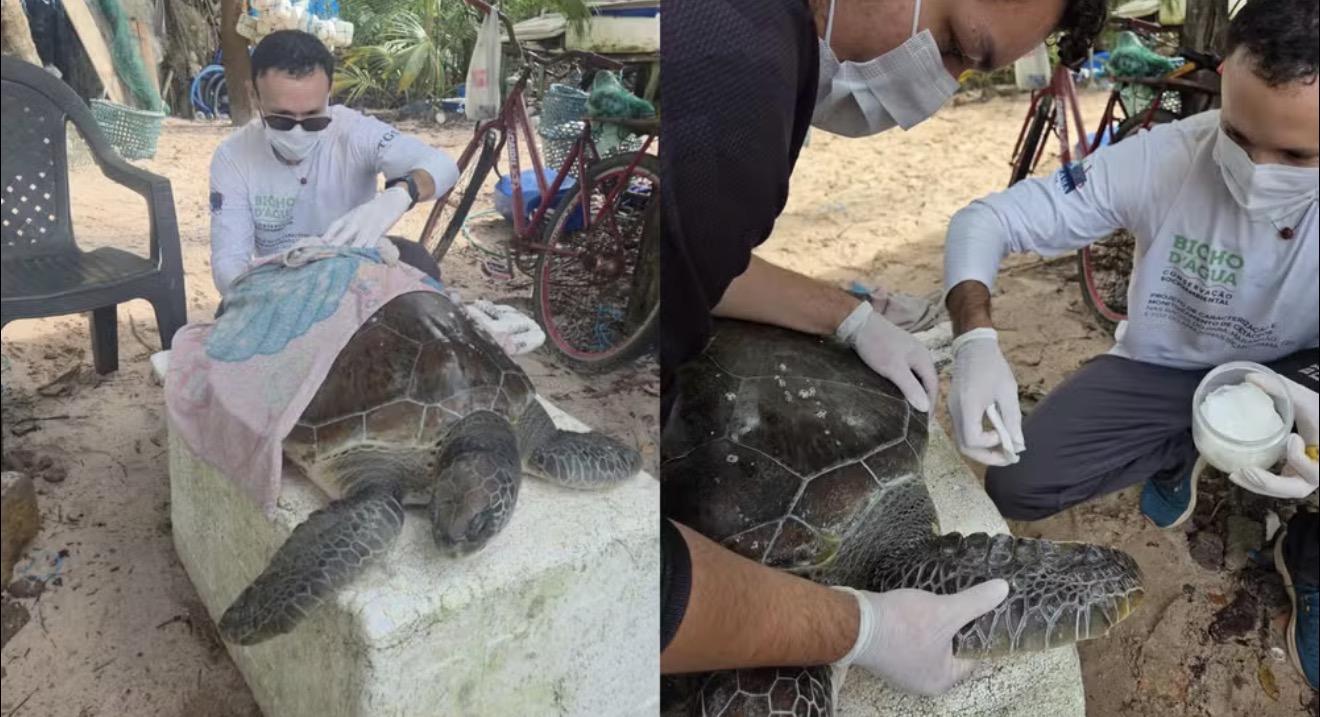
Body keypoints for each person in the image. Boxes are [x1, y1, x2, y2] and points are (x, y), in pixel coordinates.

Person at [660, 0, 1106, 697]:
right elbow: (646, 586)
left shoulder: (761, 47)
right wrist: (860, 626)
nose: (943, 84)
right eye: (957, 44)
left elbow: (693, 261)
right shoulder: (736, 78)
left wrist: (852, 319)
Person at [942, 0, 1317, 690]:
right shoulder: (1166, 157)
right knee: (1020, 481)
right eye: (1237, 134)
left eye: (1295, 154)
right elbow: (986, 220)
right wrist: (975, 338)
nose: (1258, 172)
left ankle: (1311, 551)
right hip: (1163, 368)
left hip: (1300, 376)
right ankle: (1183, 450)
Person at [208, 30, 458, 297]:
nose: (298, 131)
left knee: (416, 261)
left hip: (355, 279)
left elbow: (443, 166)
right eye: (282, 119)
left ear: (328, 94)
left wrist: (400, 194)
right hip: (279, 286)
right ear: (254, 96)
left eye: (314, 117)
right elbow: (229, 266)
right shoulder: (233, 157)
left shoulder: (354, 133)